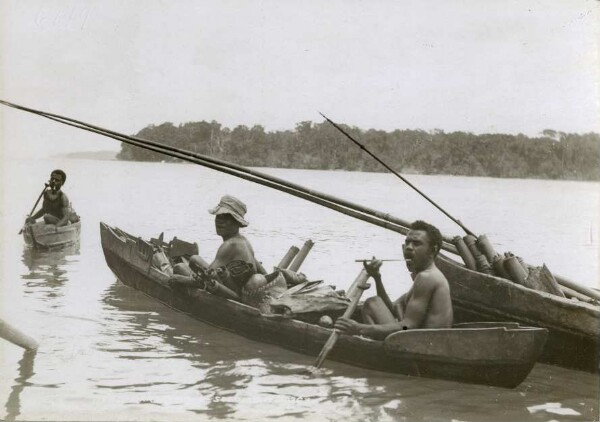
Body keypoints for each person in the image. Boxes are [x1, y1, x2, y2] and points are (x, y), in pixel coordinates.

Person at [335, 220, 453, 340]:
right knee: (373, 303)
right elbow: (392, 309)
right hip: (418, 340)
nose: (409, 248)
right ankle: (372, 342)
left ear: (432, 250)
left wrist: (359, 328)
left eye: (416, 244)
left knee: (372, 305)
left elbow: (408, 326)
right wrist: (377, 277)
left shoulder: (428, 277)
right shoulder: (425, 276)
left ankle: (373, 346)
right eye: (407, 243)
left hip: (423, 346)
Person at [173, 195, 266, 294]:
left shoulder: (231, 244)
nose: (220, 221)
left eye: (226, 217)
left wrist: (179, 279)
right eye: (219, 216)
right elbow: (264, 273)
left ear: (237, 223)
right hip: (231, 284)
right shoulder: (244, 241)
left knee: (180, 267)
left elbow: (206, 277)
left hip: (233, 293)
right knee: (194, 258)